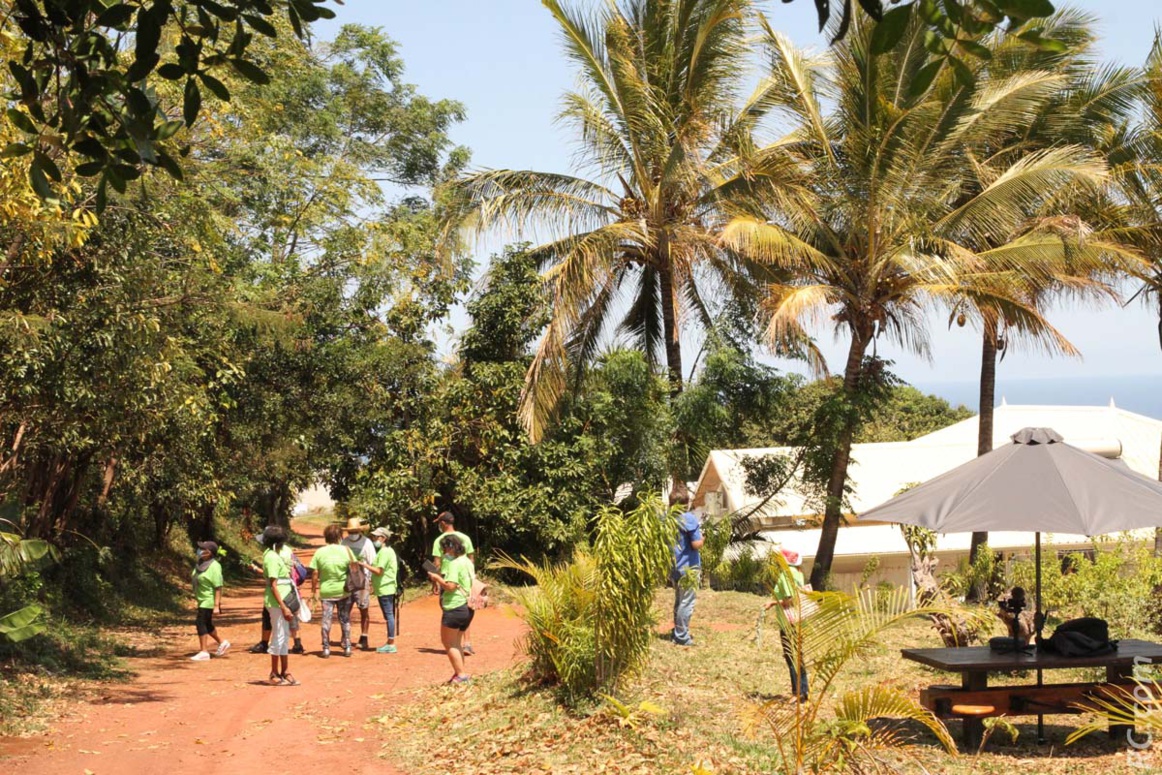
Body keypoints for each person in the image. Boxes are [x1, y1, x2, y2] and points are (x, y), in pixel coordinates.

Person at [427, 533, 474, 684]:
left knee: (448, 643)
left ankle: (461, 675)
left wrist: (437, 578)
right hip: (467, 607)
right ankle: (460, 673)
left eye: (444, 548)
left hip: (455, 606)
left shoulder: (454, 564)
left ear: (449, 547)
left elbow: (450, 586)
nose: (443, 552)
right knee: (456, 642)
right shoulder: (466, 561)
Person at [248, 531, 305, 655]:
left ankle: (265, 643)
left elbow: (272, 576)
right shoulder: (288, 551)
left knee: (269, 617)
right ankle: (297, 643)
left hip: (277, 593)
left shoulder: (271, 555)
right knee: (293, 616)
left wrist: (256, 569)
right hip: (290, 588)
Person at [765, 547, 809, 701]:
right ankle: (804, 690)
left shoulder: (786, 575)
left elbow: (789, 598)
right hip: (799, 619)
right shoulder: (799, 574)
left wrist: (772, 603)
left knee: (791, 656)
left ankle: (797, 693)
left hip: (788, 622)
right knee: (798, 656)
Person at [431, 511, 476, 654]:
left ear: (443, 523)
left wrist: (435, 581)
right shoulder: (465, 538)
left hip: (448, 578)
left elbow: (437, 564)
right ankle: (466, 643)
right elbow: (471, 559)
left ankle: (455, 643)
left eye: (439, 522)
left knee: (452, 608)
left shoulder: (440, 540)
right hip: (466, 577)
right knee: (467, 607)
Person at [261, 525, 300, 686]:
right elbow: (273, 585)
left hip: (284, 600)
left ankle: (285, 670)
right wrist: (283, 606)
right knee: (279, 636)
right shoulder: (271, 557)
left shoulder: (274, 555)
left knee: (283, 636)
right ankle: (274, 672)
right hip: (277, 603)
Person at [310, 523, 355, 658]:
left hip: (326, 592)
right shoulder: (347, 550)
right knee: (345, 619)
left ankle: (326, 648)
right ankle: (347, 647)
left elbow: (315, 573)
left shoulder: (320, 552)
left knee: (326, 620)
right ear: (340, 536)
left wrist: (313, 590)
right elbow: (354, 568)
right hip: (344, 592)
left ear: (326, 537)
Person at [669, 492, 703, 647]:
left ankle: (676, 632)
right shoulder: (689, 518)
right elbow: (696, 544)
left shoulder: (667, 519)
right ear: (686, 503)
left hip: (674, 567)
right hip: (689, 568)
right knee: (686, 602)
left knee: (679, 600)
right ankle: (682, 636)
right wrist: (703, 539)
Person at [359, 526, 398, 653]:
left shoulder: (385, 552)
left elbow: (379, 571)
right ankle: (390, 642)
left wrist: (364, 565)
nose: (374, 539)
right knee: (389, 615)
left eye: (376, 537)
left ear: (383, 538)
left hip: (385, 588)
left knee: (389, 616)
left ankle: (391, 643)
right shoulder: (386, 551)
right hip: (385, 587)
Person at [341, 517, 376, 651]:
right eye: (351, 531)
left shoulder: (367, 543)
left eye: (355, 531)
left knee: (363, 609)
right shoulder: (344, 542)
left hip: (363, 581)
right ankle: (345, 636)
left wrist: (371, 581)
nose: (352, 534)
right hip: (348, 581)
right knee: (345, 610)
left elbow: (372, 561)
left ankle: (364, 636)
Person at [191, 541, 229, 660]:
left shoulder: (214, 566)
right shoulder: (200, 564)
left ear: (210, 552)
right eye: (200, 548)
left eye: (203, 549)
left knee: (200, 623)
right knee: (207, 623)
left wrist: (216, 605)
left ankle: (204, 652)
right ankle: (222, 642)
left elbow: (218, 586)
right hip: (201, 599)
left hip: (208, 600)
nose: (200, 551)